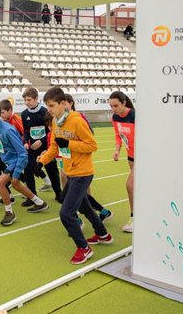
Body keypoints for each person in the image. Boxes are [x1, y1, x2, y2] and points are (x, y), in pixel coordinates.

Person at [37, 87, 113, 265]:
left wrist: (69, 143)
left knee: (66, 213)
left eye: (52, 106)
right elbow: (55, 147)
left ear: (64, 103)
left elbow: (92, 146)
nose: (49, 110)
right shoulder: (56, 121)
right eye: (47, 106)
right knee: (85, 207)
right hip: (71, 172)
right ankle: (103, 234)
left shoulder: (77, 121)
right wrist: (42, 162)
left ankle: (84, 248)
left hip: (83, 173)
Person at [0, 102, 49, 226]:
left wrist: (17, 172)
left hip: (17, 160)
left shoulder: (8, 130)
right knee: (16, 184)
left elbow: (22, 153)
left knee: (0, 183)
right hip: (7, 160)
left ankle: (9, 213)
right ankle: (40, 203)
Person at [21, 87, 62, 202]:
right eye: (25, 100)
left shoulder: (45, 111)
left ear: (36, 99)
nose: (26, 103)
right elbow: (26, 131)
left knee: (51, 169)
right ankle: (32, 196)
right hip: (33, 148)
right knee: (28, 169)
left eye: (29, 100)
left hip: (46, 146)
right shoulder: (24, 114)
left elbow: (50, 130)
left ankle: (58, 193)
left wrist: (42, 141)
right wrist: (25, 142)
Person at [109, 91, 136, 233]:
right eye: (111, 106)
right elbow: (118, 135)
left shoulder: (135, 116)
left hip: (142, 157)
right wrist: (117, 150)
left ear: (124, 103)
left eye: (116, 106)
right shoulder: (115, 117)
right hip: (130, 156)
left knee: (130, 186)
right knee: (138, 188)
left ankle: (134, 220)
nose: (113, 109)